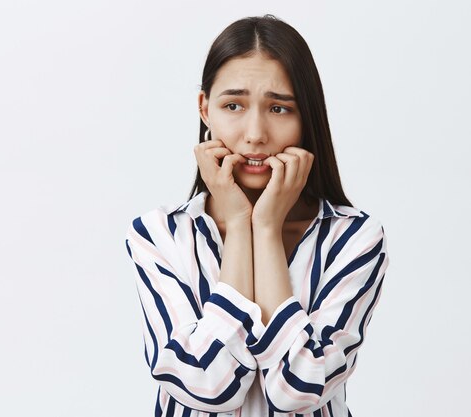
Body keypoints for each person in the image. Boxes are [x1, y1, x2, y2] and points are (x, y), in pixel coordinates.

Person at [124, 14, 389, 417]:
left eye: (279, 109)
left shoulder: (353, 238)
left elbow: (298, 389)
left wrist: (263, 228)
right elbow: (208, 387)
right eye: (233, 105)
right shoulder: (160, 235)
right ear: (205, 109)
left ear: (306, 118)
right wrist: (239, 225)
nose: (255, 134)